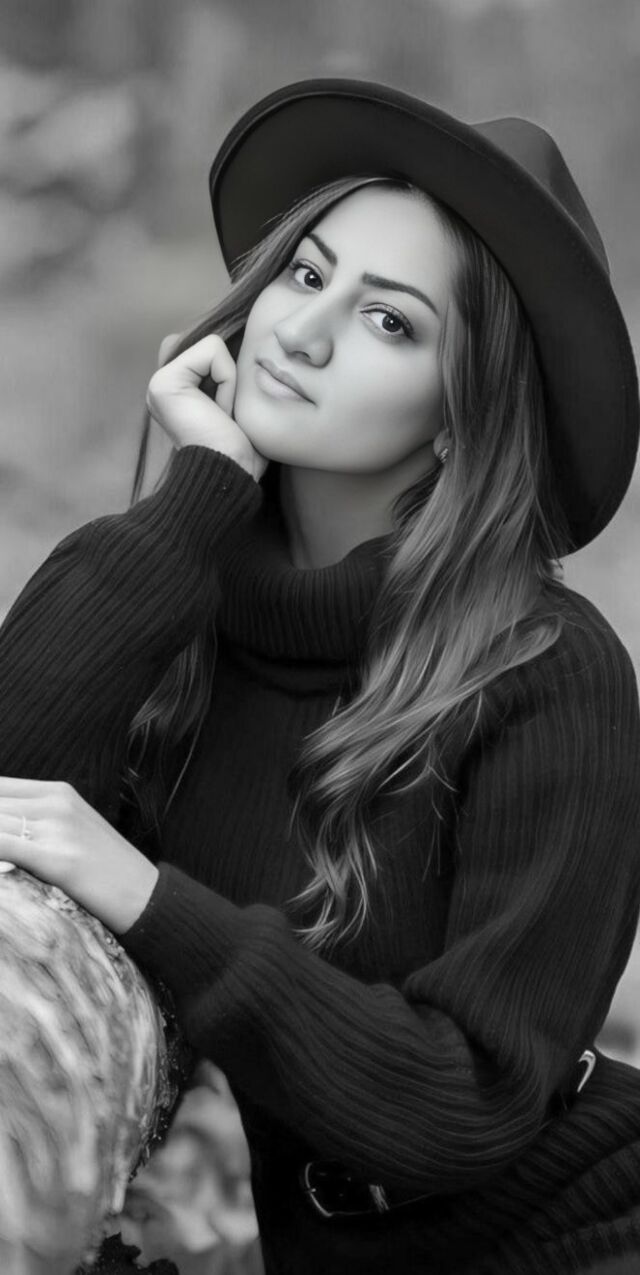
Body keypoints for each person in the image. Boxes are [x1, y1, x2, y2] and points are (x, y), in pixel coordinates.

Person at [0, 76, 639, 1275]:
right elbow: (11, 790)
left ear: (459, 411)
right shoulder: (180, 598)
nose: (300, 331)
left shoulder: (549, 672)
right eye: (305, 275)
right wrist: (196, 496)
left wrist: (154, 902)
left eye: (389, 321)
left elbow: (472, 1096)